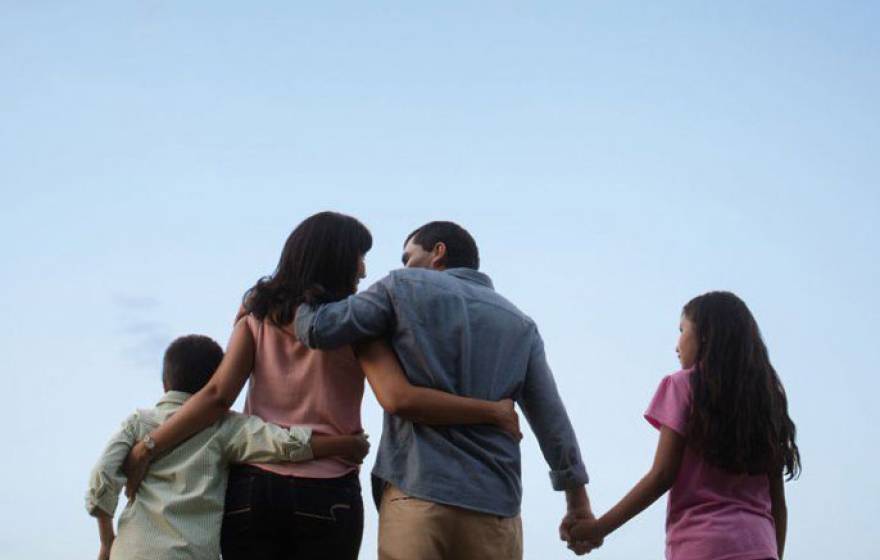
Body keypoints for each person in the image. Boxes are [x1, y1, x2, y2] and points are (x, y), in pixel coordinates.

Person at [122, 212, 520, 560]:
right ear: (336, 260)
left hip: (254, 489)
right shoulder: (362, 327)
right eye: (359, 257)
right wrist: (492, 410)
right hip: (328, 492)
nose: (363, 271)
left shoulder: (256, 317)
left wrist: (149, 445)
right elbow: (398, 397)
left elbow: (216, 396)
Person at [295, 220, 596, 560]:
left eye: (409, 257)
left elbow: (317, 329)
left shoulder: (401, 286)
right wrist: (577, 502)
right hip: (495, 505)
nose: (403, 266)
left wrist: (298, 288)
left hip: (418, 491)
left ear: (438, 252)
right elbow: (551, 419)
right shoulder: (521, 325)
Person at [85, 334, 369, 560]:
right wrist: (345, 444)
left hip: (133, 551)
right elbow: (281, 443)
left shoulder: (138, 422)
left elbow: (102, 476)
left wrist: (107, 540)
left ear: (164, 382)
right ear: (218, 382)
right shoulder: (224, 426)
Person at [569, 291, 800, 560]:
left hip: (702, 547)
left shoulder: (683, 385)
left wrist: (598, 528)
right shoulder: (767, 398)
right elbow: (777, 503)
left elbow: (662, 476)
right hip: (760, 545)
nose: (677, 345)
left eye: (682, 330)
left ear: (704, 335)